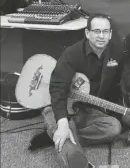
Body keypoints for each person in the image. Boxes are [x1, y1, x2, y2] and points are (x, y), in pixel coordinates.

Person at [39, 13, 123, 168]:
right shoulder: (72, 53)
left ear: (110, 34)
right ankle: (65, 138)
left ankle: (58, 135)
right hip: (60, 108)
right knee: (71, 152)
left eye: (105, 31)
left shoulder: (116, 53)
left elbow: (119, 85)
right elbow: (57, 87)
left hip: (86, 109)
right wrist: (63, 123)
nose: (101, 36)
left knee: (114, 128)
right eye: (96, 31)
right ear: (87, 33)